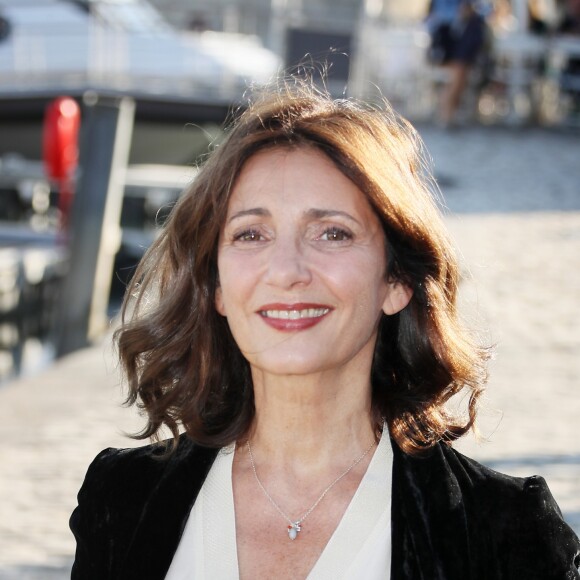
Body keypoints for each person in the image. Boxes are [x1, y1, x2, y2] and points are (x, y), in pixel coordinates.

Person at [70, 78, 580, 579]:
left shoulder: (503, 532)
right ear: (217, 286)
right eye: (252, 234)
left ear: (396, 279)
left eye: (332, 233)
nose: (287, 270)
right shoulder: (122, 501)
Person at [426, 0, 489, 127]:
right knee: (458, 74)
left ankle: (448, 112)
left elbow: (485, 10)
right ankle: (447, 112)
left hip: (462, 41)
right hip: (450, 41)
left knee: (460, 75)